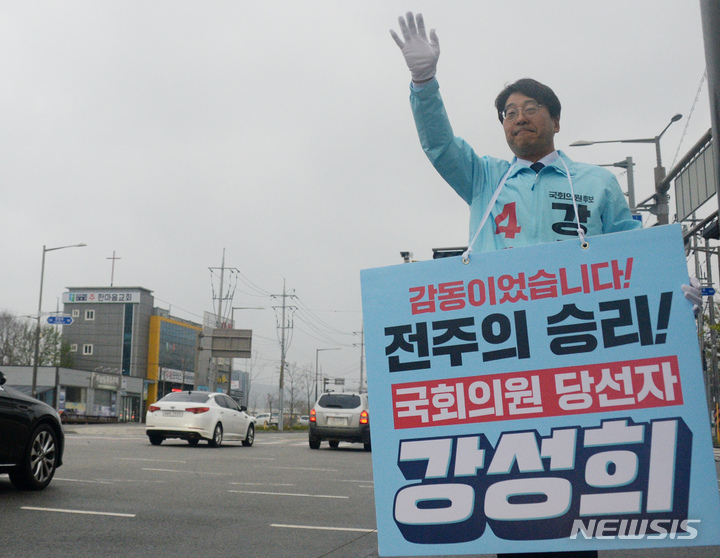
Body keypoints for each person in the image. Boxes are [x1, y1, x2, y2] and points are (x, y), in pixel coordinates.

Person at [390, 11, 702, 558]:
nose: (517, 119)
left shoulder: (596, 184)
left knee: (575, 488)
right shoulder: (485, 177)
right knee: (510, 485)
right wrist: (424, 85)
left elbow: (636, 258)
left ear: (555, 120)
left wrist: (676, 292)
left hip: (576, 356)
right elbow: (439, 146)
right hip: (502, 361)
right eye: (508, 114)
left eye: (529, 109)